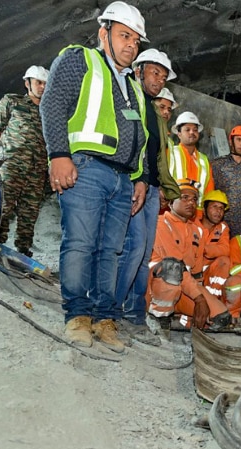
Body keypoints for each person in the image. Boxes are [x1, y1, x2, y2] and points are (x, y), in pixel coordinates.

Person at [40, 1, 151, 352]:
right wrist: (59, 154)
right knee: (81, 244)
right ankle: (77, 316)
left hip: (122, 180)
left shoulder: (133, 85)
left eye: (136, 39)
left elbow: (142, 138)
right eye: (124, 36)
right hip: (86, 168)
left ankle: (104, 319)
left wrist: (141, 178)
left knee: (110, 251)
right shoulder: (81, 60)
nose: (131, 44)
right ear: (104, 33)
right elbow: (53, 103)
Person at [115, 48, 179, 333]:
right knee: (134, 247)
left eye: (163, 76)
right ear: (138, 70)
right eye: (155, 73)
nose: (159, 80)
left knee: (143, 254)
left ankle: (134, 313)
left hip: (152, 189)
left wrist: (166, 188)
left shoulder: (154, 111)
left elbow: (158, 157)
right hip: (133, 183)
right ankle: (111, 310)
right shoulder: (132, 100)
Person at [147, 179, 231, 331]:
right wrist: (199, 299)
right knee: (171, 268)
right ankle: (158, 319)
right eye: (184, 197)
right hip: (156, 289)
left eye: (194, 199)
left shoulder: (197, 231)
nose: (191, 202)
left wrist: (202, 298)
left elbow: (196, 274)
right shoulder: (160, 223)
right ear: (171, 202)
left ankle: (179, 316)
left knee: (221, 317)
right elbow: (175, 266)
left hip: (184, 289)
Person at [0, 65, 49, 257]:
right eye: (38, 82)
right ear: (27, 83)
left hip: (37, 170)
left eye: (46, 84)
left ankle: (23, 249)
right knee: (3, 205)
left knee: (29, 211)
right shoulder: (12, 102)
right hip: (11, 165)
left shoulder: (50, 113)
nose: (42, 87)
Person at [211, 125, 241, 237]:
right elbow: (212, 191)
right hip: (220, 219)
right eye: (238, 139)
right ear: (230, 141)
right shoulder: (217, 164)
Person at [169, 111, 214, 214]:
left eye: (195, 130)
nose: (192, 133)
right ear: (179, 134)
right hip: (173, 211)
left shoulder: (204, 160)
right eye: (187, 130)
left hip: (196, 213)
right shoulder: (170, 152)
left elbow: (209, 189)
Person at [198, 190, 232, 300]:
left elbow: (225, 250)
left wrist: (203, 249)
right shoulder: (192, 225)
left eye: (221, 208)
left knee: (224, 261)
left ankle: (213, 299)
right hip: (192, 273)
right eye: (214, 206)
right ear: (204, 209)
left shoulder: (223, 228)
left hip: (210, 273)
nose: (218, 211)